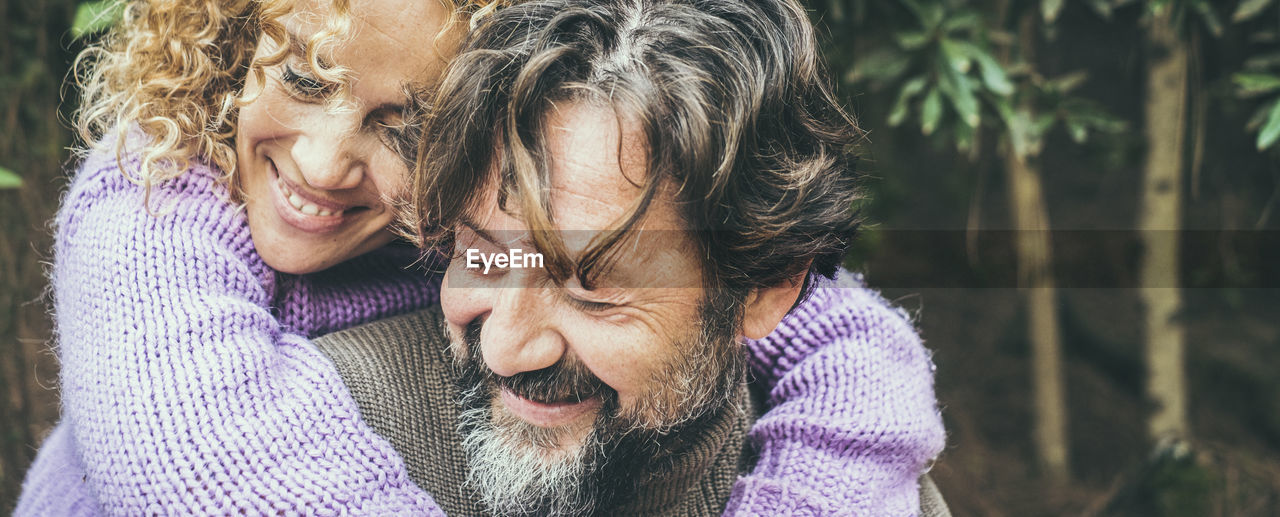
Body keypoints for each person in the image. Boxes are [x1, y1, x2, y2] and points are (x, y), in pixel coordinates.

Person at [16, 0, 943, 514]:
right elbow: (197, 460)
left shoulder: (479, 206)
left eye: (408, 126)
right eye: (303, 78)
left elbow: (842, 334)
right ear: (225, 40)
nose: (325, 160)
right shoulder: (157, 195)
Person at [314, 0, 947, 515]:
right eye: (479, 254)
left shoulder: (879, 495)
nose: (505, 349)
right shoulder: (326, 426)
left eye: (591, 290)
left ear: (763, 292)